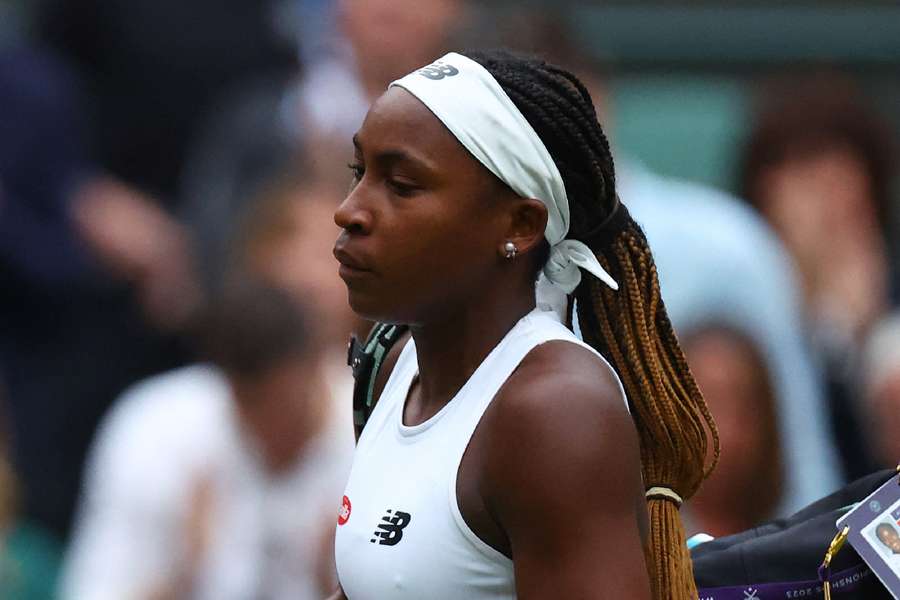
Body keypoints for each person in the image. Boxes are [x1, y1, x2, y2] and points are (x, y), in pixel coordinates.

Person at [331, 49, 717, 599]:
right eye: (359, 172)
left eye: (402, 185)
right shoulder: (394, 363)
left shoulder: (553, 413)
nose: (350, 210)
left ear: (520, 223)